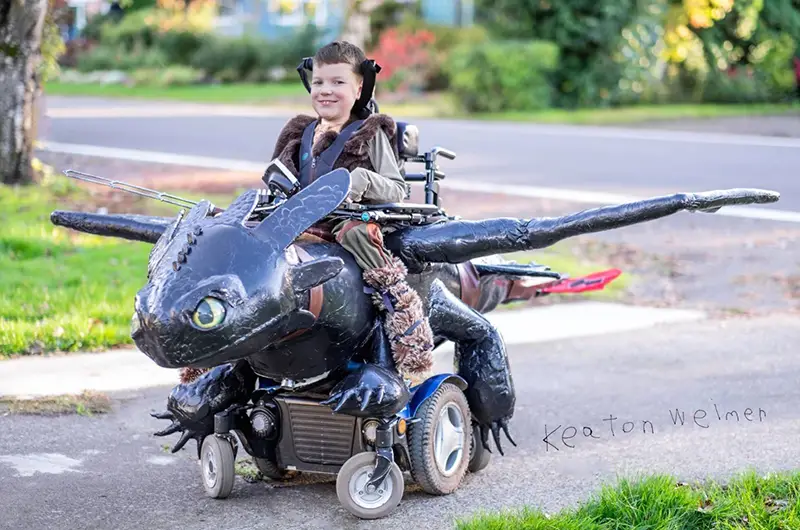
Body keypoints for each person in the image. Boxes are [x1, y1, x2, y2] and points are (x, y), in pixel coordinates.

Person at [269, 41, 435, 376]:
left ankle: (403, 320)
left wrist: (359, 181)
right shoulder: (298, 132)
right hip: (298, 223)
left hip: (347, 223)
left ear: (358, 88)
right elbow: (276, 178)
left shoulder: (369, 132)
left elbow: (398, 189)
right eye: (319, 83)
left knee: (356, 233)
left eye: (338, 82)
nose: (326, 91)